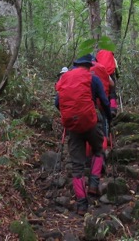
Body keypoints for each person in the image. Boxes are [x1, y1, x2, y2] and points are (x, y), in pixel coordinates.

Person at [55, 54, 112, 214]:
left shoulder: (66, 79)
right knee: (99, 148)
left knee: (77, 167)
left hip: (73, 126)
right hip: (92, 121)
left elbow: (57, 102)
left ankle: (81, 204)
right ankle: (94, 184)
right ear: (89, 65)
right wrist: (108, 116)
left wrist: (69, 114)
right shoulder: (93, 79)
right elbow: (104, 100)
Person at [95, 49, 119, 116]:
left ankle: (102, 108)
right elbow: (116, 68)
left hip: (101, 75)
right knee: (112, 92)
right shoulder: (112, 57)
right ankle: (113, 109)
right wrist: (117, 75)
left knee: (103, 91)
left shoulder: (99, 54)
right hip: (111, 74)